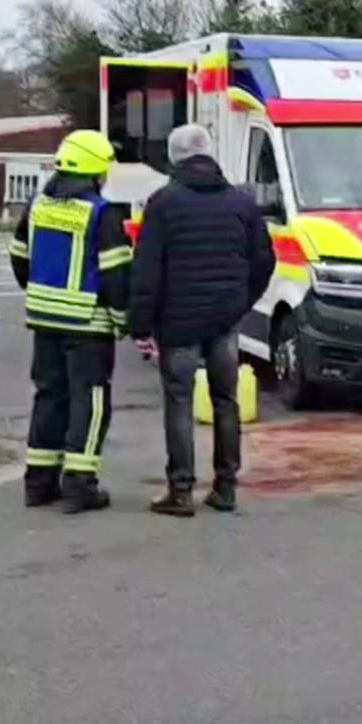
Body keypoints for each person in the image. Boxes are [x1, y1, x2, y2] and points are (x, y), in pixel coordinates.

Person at [129, 124, 274, 516]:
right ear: (209, 152)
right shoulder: (241, 203)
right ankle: (226, 487)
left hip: (177, 321)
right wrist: (241, 302)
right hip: (225, 319)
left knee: (179, 401)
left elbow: (147, 270)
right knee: (225, 401)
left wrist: (140, 325)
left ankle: (180, 491)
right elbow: (264, 261)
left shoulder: (163, 203)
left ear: (173, 157)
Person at [9, 129, 132, 513]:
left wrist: (40, 291)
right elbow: (115, 276)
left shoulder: (37, 205)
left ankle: (39, 483)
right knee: (90, 402)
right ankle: (80, 484)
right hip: (87, 324)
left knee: (49, 397)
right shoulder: (102, 213)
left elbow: (19, 256)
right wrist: (123, 319)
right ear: (96, 171)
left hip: (44, 318)